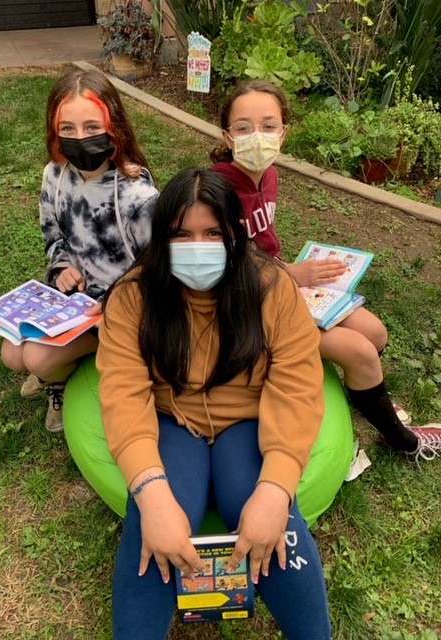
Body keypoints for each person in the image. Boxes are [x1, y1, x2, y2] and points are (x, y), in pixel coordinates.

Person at [97, 168, 331, 640]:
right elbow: (124, 394)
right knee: (152, 524)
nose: (197, 246)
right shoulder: (133, 296)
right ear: (161, 237)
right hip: (172, 420)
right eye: (181, 234)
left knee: (271, 519)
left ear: (235, 234)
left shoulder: (272, 288)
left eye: (212, 233)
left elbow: (297, 387)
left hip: (248, 422)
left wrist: (276, 489)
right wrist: (152, 495)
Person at [210, 79, 441, 461]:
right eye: (244, 128)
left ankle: (366, 397)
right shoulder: (216, 190)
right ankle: (404, 441)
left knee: (375, 333)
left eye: (268, 126)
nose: (258, 137)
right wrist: (290, 274)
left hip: (281, 284)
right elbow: (219, 267)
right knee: (359, 350)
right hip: (245, 306)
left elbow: (262, 243)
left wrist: (291, 274)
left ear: (284, 132)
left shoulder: (268, 175)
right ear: (228, 135)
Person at [0, 69, 159, 432]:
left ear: (114, 127)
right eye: (67, 129)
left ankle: (61, 378)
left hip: (120, 310)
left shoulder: (138, 196)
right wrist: (61, 268)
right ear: (54, 130)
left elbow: (159, 269)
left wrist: (118, 304)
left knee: (36, 357)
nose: (80, 139)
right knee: (12, 354)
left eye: (92, 127)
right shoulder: (54, 175)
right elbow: (53, 236)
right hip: (71, 300)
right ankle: (59, 368)